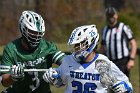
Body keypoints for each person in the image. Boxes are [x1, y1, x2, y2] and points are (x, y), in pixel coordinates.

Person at [43, 25, 133, 93]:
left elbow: (128, 86)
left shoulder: (103, 63)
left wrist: (124, 87)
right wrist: (53, 78)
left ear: (90, 43)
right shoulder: (68, 61)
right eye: (75, 45)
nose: (76, 48)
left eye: (80, 44)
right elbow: (60, 82)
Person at [0, 10, 65, 93]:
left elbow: (67, 62)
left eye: (39, 33)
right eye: (32, 33)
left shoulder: (48, 47)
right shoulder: (11, 49)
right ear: (23, 29)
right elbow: (4, 82)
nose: (36, 37)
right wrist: (12, 77)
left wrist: (57, 74)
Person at [99, 7, 137, 77]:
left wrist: (132, 59)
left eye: (112, 15)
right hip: (109, 62)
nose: (110, 17)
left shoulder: (123, 27)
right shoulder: (104, 30)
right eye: (108, 15)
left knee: (123, 85)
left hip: (123, 62)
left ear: (116, 15)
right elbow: (102, 47)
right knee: (109, 85)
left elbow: (133, 43)